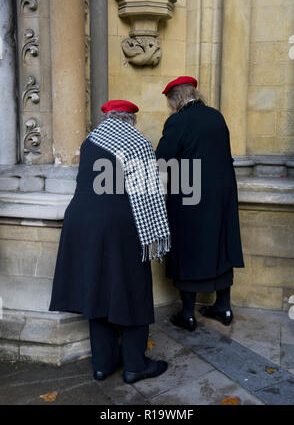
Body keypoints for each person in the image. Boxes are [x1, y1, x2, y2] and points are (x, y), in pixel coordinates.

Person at [49, 100, 170, 384]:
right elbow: (148, 194)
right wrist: (155, 228)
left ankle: (103, 364)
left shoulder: (90, 140)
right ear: (131, 119)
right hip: (118, 225)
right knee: (133, 288)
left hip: (80, 221)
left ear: (108, 118)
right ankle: (135, 365)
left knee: (96, 286)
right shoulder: (137, 142)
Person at [156, 76, 244, 331]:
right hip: (223, 192)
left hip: (190, 192)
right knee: (221, 244)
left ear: (175, 98)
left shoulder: (178, 120)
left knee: (188, 247)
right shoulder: (216, 116)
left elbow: (163, 158)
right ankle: (223, 307)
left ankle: (187, 314)